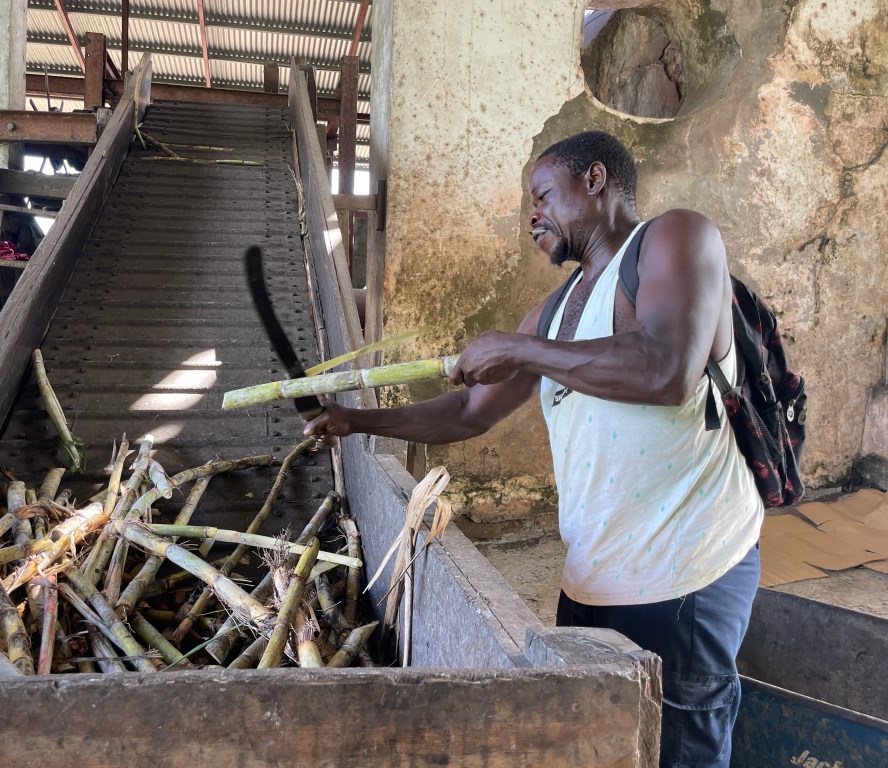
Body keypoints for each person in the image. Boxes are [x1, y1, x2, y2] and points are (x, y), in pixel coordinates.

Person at [304, 130, 763, 768]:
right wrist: (355, 421)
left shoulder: (675, 238)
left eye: (543, 195)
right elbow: (468, 411)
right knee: (599, 748)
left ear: (594, 180)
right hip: (592, 580)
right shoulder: (554, 311)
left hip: (684, 575)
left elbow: (667, 369)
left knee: (679, 752)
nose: (532, 215)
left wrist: (519, 350)